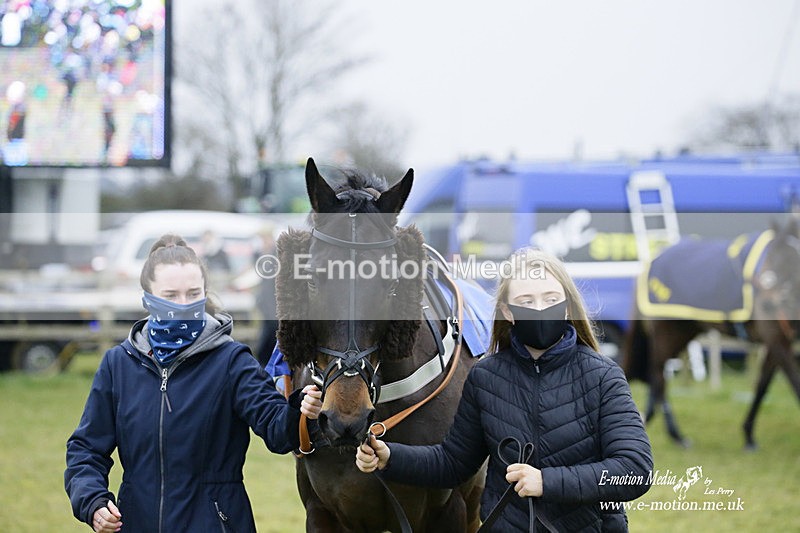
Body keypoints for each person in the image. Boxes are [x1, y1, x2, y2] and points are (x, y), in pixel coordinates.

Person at [356, 248, 653, 531]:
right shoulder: (485, 377)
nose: (540, 309)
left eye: (550, 298)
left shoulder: (603, 376)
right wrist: (390, 457)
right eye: (527, 300)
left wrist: (546, 482)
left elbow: (634, 471)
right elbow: (454, 464)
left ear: (566, 307)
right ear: (508, 312)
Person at [65, 234, 322, 533]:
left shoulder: (232, 361)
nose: (183, 304)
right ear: (147, 298)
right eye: (171, 295)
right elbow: (86, 449)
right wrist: (93, 502)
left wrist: (300, 410)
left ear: (205, 294)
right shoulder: (118, 364)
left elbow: (279, 431)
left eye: (193, 293)